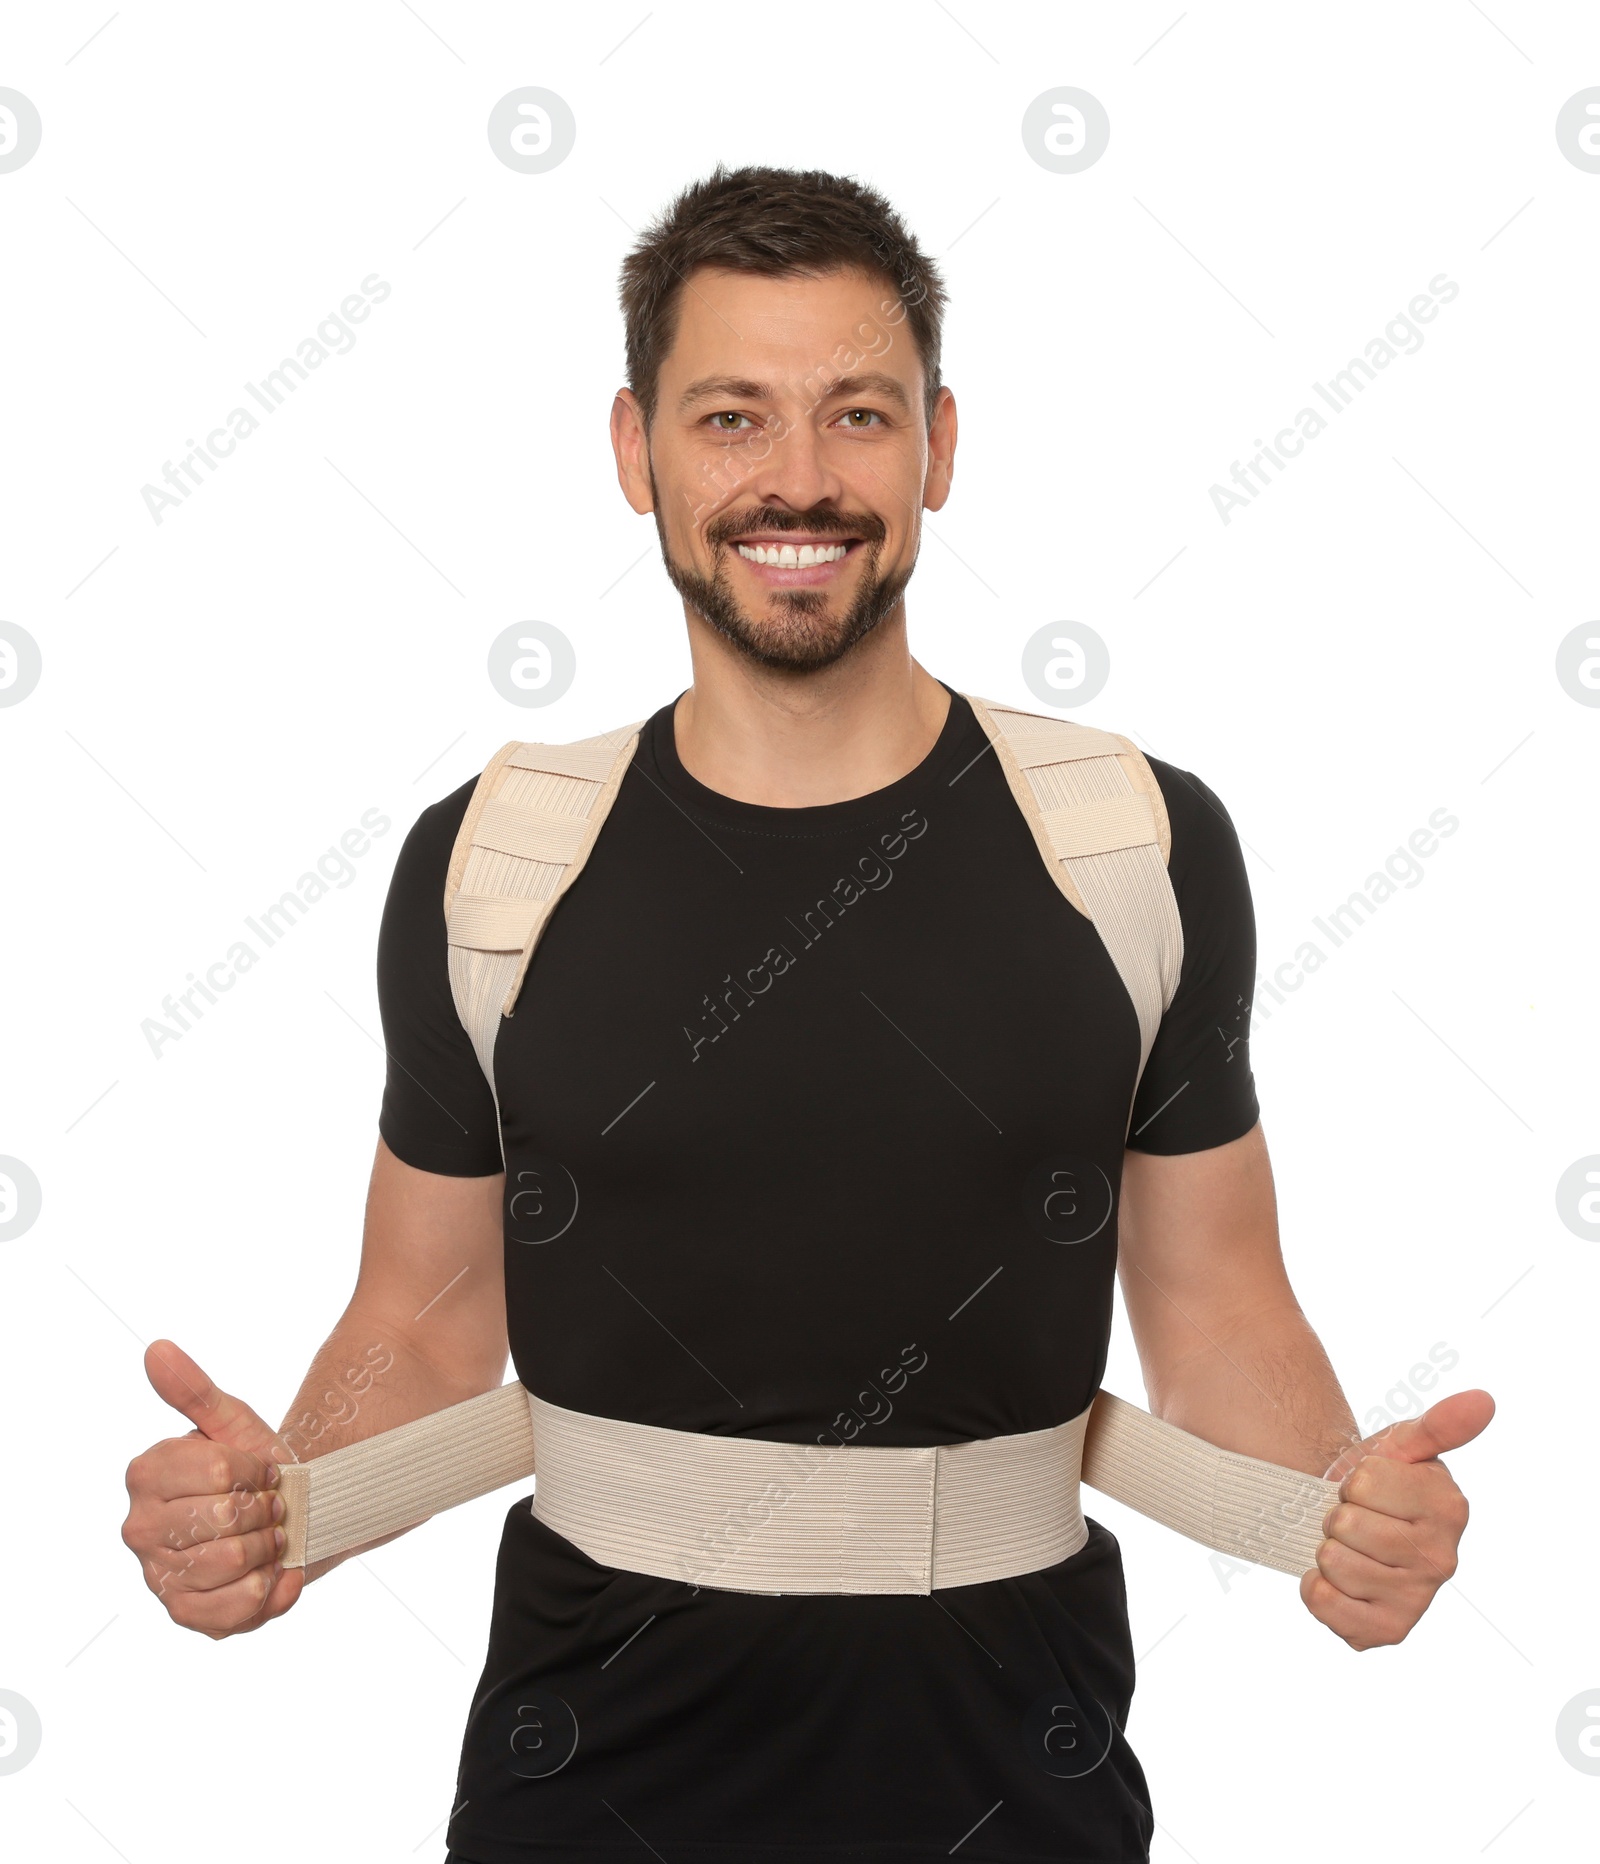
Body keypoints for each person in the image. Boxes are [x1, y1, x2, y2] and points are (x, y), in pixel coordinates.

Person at [121, 164, 1492, 1863]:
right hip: (589, 1774)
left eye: (859, 414)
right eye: (730, 417)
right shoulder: (494, 861)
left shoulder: (1132, 841)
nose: (799, 480)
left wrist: (1332, 1511)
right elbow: (424, 1317)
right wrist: (286, 1505)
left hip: (1017, 1771)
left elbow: (1213, 1312)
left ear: (939, 448)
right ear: (636, 452)